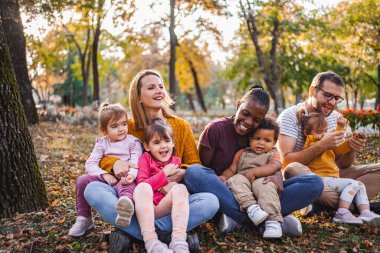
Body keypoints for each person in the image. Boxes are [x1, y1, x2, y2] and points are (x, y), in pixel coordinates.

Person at [83, 69, 219, 252]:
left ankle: (135, 233)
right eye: (151, 87)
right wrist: (114, 163)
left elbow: (194, 165)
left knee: (210, 201)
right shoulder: (127, 127)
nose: (159, 91)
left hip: (167, 200)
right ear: (138, 96)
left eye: (161, 86)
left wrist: (181, 173)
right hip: (133, 192)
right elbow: (101, 154)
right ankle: (163, 235)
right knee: (92, 189)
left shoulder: (181, 126)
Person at [184, 86, 324, 236]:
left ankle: (241, 220)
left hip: (262, 191)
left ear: (262, 119)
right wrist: (224, 179)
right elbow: (204, 171)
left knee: (314, 183)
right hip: (229, 193)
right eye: (245, 113)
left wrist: (276, 175)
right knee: (194, 172)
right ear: (238, 105)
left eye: (256, 119)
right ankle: (268, 220)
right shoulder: (215, 129)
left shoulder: (262, 134)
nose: (248, 122)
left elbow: (274, 160)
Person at [277, 71, 380, 212]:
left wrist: (352, 147)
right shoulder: (290, 116)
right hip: (303, 178)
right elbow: (286, 163)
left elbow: (343, 164)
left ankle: (320, 204)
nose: (332, 103)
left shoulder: (336, 118)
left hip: (332, 178)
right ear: (312, 91)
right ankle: (354, 206)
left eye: (337, 98)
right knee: (293, 168)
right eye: (327, 95)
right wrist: (321, 145)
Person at [68, 102, 143, 237]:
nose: (121, 129)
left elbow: (135, 162)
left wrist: (130, 175)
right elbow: (90, 164)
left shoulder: (133, 142)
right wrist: (103, 175)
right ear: (104, 130)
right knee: (82, 180)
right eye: (114, 126)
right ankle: (84, 218)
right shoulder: (102, 143)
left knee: (127, 185)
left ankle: (125, 208)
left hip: (125, 177)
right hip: (107, 177)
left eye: (124, 124)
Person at [296, 108, 380, 226]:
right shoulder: (311, 143)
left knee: (360, 185)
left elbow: (340, 148)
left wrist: (353, 140)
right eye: (319, 132)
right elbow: (323, 143)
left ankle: (365, 212)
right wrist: (337, 129)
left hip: (332, 179)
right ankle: (342, 212)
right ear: (306, 133)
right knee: (352, 184)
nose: (324, 135)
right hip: (322, 179)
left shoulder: (326, 143)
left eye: (325, 131)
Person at [220, 118, 283, 238]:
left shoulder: (273, 153)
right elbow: (232, 169)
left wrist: (255, 172)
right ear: (250, 139)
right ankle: (252, 209)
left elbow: (275, 166)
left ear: (274, 142)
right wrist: (224, 176)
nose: (261, 143)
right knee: (235, 179)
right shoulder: (242, 153)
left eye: (267, 140)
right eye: (257, 138)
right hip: (243, 187)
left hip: (262, 183)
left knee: (265, 185)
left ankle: (273, 221)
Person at [135, 119, 190, 252]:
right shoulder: (145, 159)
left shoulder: (176, 162)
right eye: (157, 142)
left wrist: (174, 184)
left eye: (167, 141)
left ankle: (178, 240)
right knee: (143, 188)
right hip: (146, 208)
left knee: (181, 188)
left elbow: (180, 194)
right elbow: (141, 184)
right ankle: (151, 241)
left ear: (173, 142)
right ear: (147, 146)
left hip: (164, 208)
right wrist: (163, 175)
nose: (163, 146)